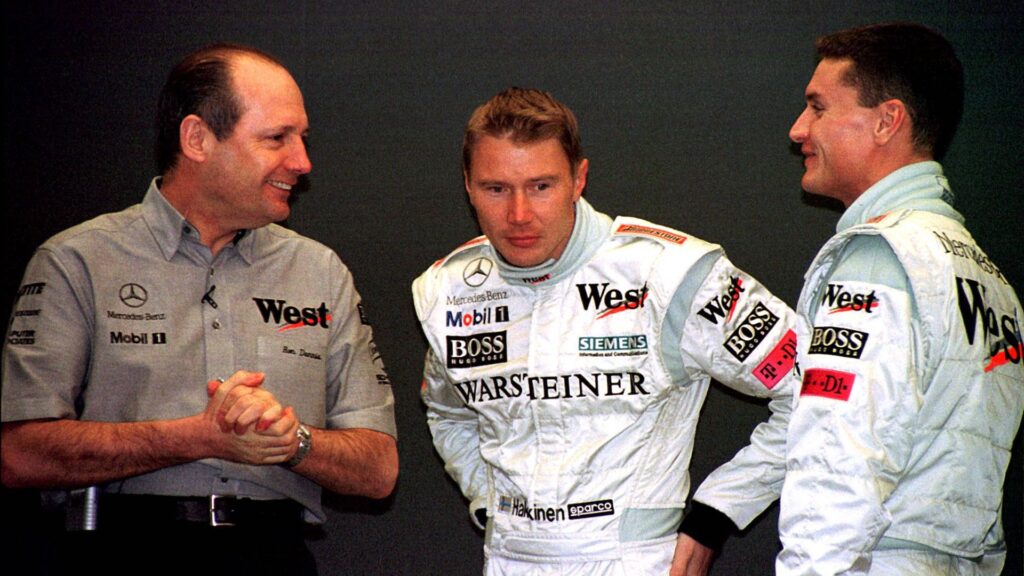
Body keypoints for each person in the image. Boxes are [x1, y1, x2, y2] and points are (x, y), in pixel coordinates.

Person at [0, 43, 398, 575]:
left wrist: (293, 441)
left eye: (302, 138)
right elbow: (20, 453)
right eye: (276, 138)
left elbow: (379, 470)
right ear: (197, 139)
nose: (302, 162)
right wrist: (195, 437)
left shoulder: (319, 271)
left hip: (273, 555)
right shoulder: (79, 261)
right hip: (118, 548)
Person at [412, 87, 799, 575]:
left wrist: (716, 514)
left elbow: (814, 389)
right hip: (508, 560)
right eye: (496, 189)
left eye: (540, 186)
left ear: (579, 179)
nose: (518, 214)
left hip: (637, 560)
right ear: (468, 186)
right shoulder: (449, 290)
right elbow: (448, 414)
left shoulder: (671, 273)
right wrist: (492, 503)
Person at [777, 22, 1024, 575]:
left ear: (888, 120)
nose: (798, 129)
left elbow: (836, 461)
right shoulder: (981, 272)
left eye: (818, 107)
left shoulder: (881, 258)